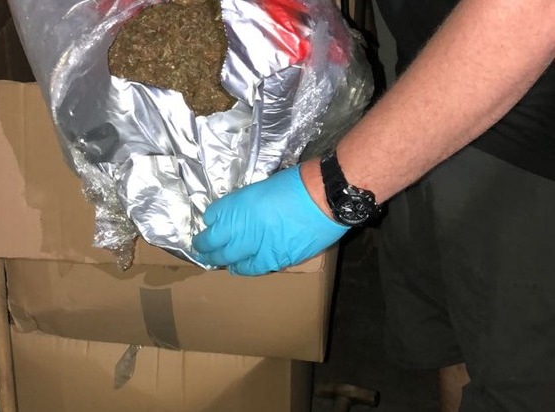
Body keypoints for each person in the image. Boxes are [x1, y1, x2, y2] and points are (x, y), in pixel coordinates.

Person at [193, 0, 555, 410]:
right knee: (450, 340)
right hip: (425, 103)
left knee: (516, 386)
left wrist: (334, 189)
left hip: (532, 162)